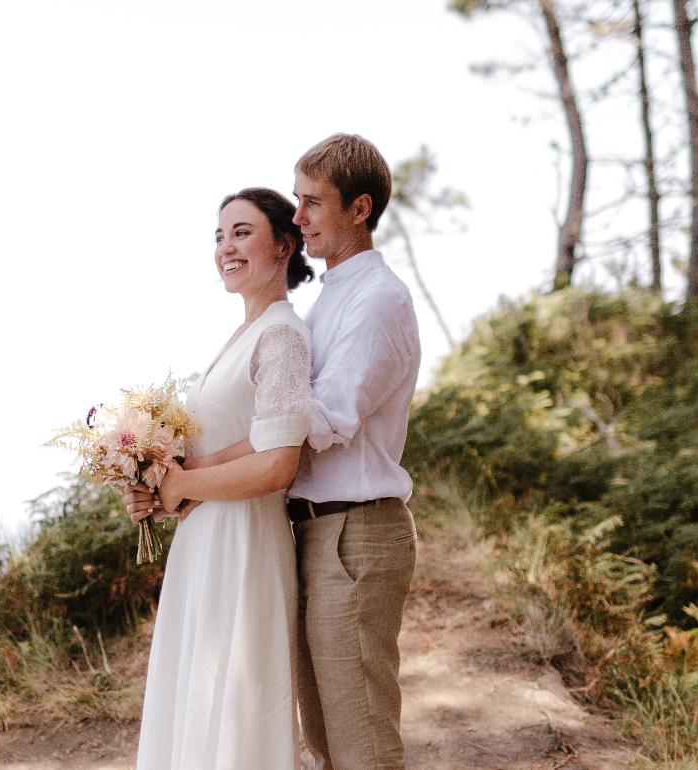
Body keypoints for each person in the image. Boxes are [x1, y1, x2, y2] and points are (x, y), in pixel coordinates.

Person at [129, 187, 316, 769]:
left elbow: (278, 462)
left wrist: (182, 486)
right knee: (198, 693)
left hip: (244, 542)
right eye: (219, 236)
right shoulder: (244, 335)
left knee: (238, 700)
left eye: (241, 232)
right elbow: (230, 446)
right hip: (205, 538)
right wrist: (155, 485)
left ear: (285, 244)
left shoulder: (281, 334)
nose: (225, 247)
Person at [287, 133, 420, 770]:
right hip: (317, 532)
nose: (298, 217)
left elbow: (329, 417)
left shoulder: (379, 299)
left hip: (357, 534)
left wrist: (213, 453)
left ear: (359, 208)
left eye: (313, 202)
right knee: (326, 743)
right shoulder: (329, 296)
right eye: (296, 200)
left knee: (362, 744)